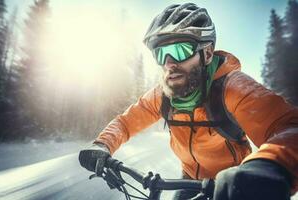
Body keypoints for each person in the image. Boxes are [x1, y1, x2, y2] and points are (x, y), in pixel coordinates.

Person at [79, 3, 298, 200]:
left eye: (179, 50)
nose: (169, 64)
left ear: (208, 53)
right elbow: (126, 122)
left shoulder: (231, 87)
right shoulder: (163, 95)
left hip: (235, 182)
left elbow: (289, 126)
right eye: (161, 53)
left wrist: (269, 165)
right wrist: (103, 145)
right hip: (188, 179)